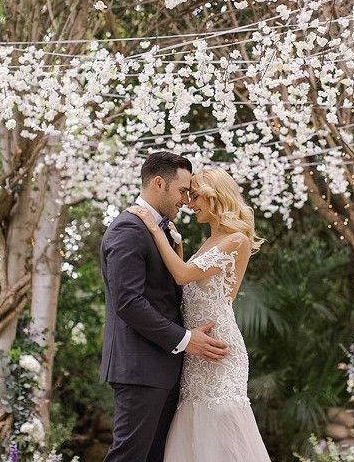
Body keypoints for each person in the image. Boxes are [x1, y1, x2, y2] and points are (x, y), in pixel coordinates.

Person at [127, 167, 271, 461]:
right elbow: (189, 287)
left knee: (219, 423)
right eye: (189, 197)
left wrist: (155, 230)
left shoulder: (236, 240)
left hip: (218, 348)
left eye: (195, 198)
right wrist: (177, 246)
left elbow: (182, 276)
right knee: (195, 428)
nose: (189, 205)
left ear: (215, 197)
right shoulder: (207, 243)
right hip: (195, 348)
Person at [100, 152, 229, 462]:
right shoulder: (128, 229)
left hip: (165, 368)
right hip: (140, 369)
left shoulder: (163, 231)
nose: (187, 199)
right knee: (128, 457)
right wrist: (185, 339)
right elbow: (129, 303)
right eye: (183, 190)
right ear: (159, 183)